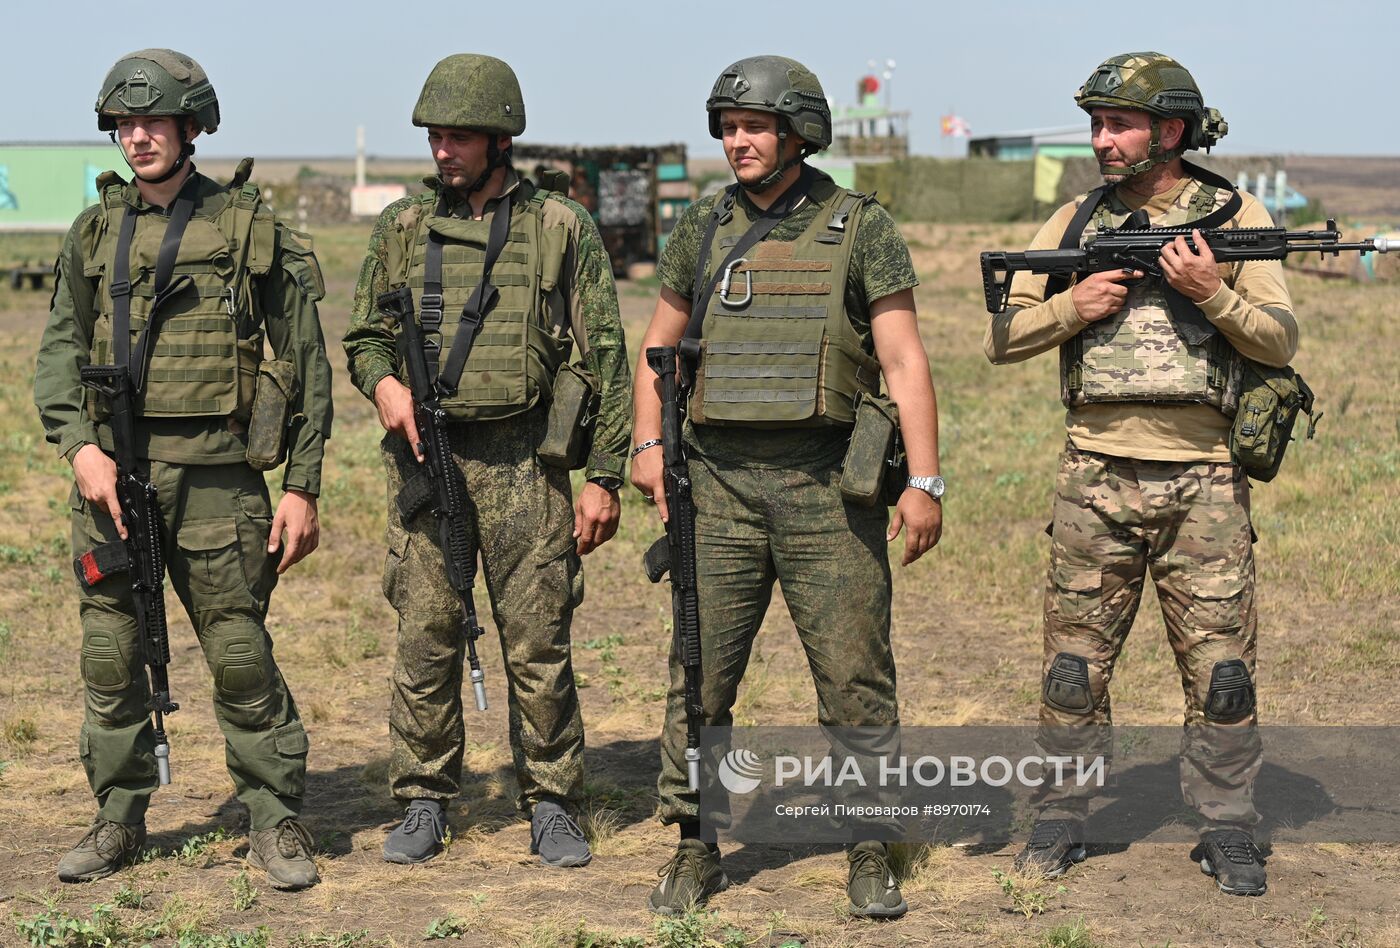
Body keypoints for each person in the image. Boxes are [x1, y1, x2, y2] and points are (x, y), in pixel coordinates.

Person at [630, 55, 943, 918]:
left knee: (853, 676)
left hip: (827, 490)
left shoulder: (859, 226)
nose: (738, 142)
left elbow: (903, 357)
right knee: (700, 671)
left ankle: (872, 844)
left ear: (799, 133)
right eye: (728, 128)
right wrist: (648, 444)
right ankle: (695, 843)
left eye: (755, 127)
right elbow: (658, 345)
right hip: (718, 488)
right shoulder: (702, 225)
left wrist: (924, 479)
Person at [985, 52, 1295, 897]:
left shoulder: (1237, 213)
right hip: (1094, 477)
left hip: (1207, 482)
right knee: (1073, 671)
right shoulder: (1074, 220)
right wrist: (1070, 309)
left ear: (1170, 130)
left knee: (1223, 674)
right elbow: (1001, 339)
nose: (1101, 140)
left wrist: (1211, 293)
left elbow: (1278, 341)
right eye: (1096, 124)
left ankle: (1228, 826)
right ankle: (1060, 817)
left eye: (1117, 124)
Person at [35, 49, 333, 890]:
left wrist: (303, 485)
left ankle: (274, 817)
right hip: (111, 479)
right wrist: (79, 448)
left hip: (217, 479)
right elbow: (58, 351)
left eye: (153, 121)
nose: (137, 136)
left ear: (191, 125)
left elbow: (304, 362)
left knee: (239, 654)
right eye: (124, 124)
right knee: (109, 656)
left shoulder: (245, 226)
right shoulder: (92, 232)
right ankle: (118, 817)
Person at [342, 53, 631, 868]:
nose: (444, 150)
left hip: (526, 465)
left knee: (538, 645)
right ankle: (426, 799)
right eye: (435, 135)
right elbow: (363, 335)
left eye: (460, 136)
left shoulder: (559, 227)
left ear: (500, 139)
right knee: (425, 637)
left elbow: (604, 353)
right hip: (426, 462)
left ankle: (554, 803)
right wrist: (385, 387)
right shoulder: (400, 227)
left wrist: (604, 476)